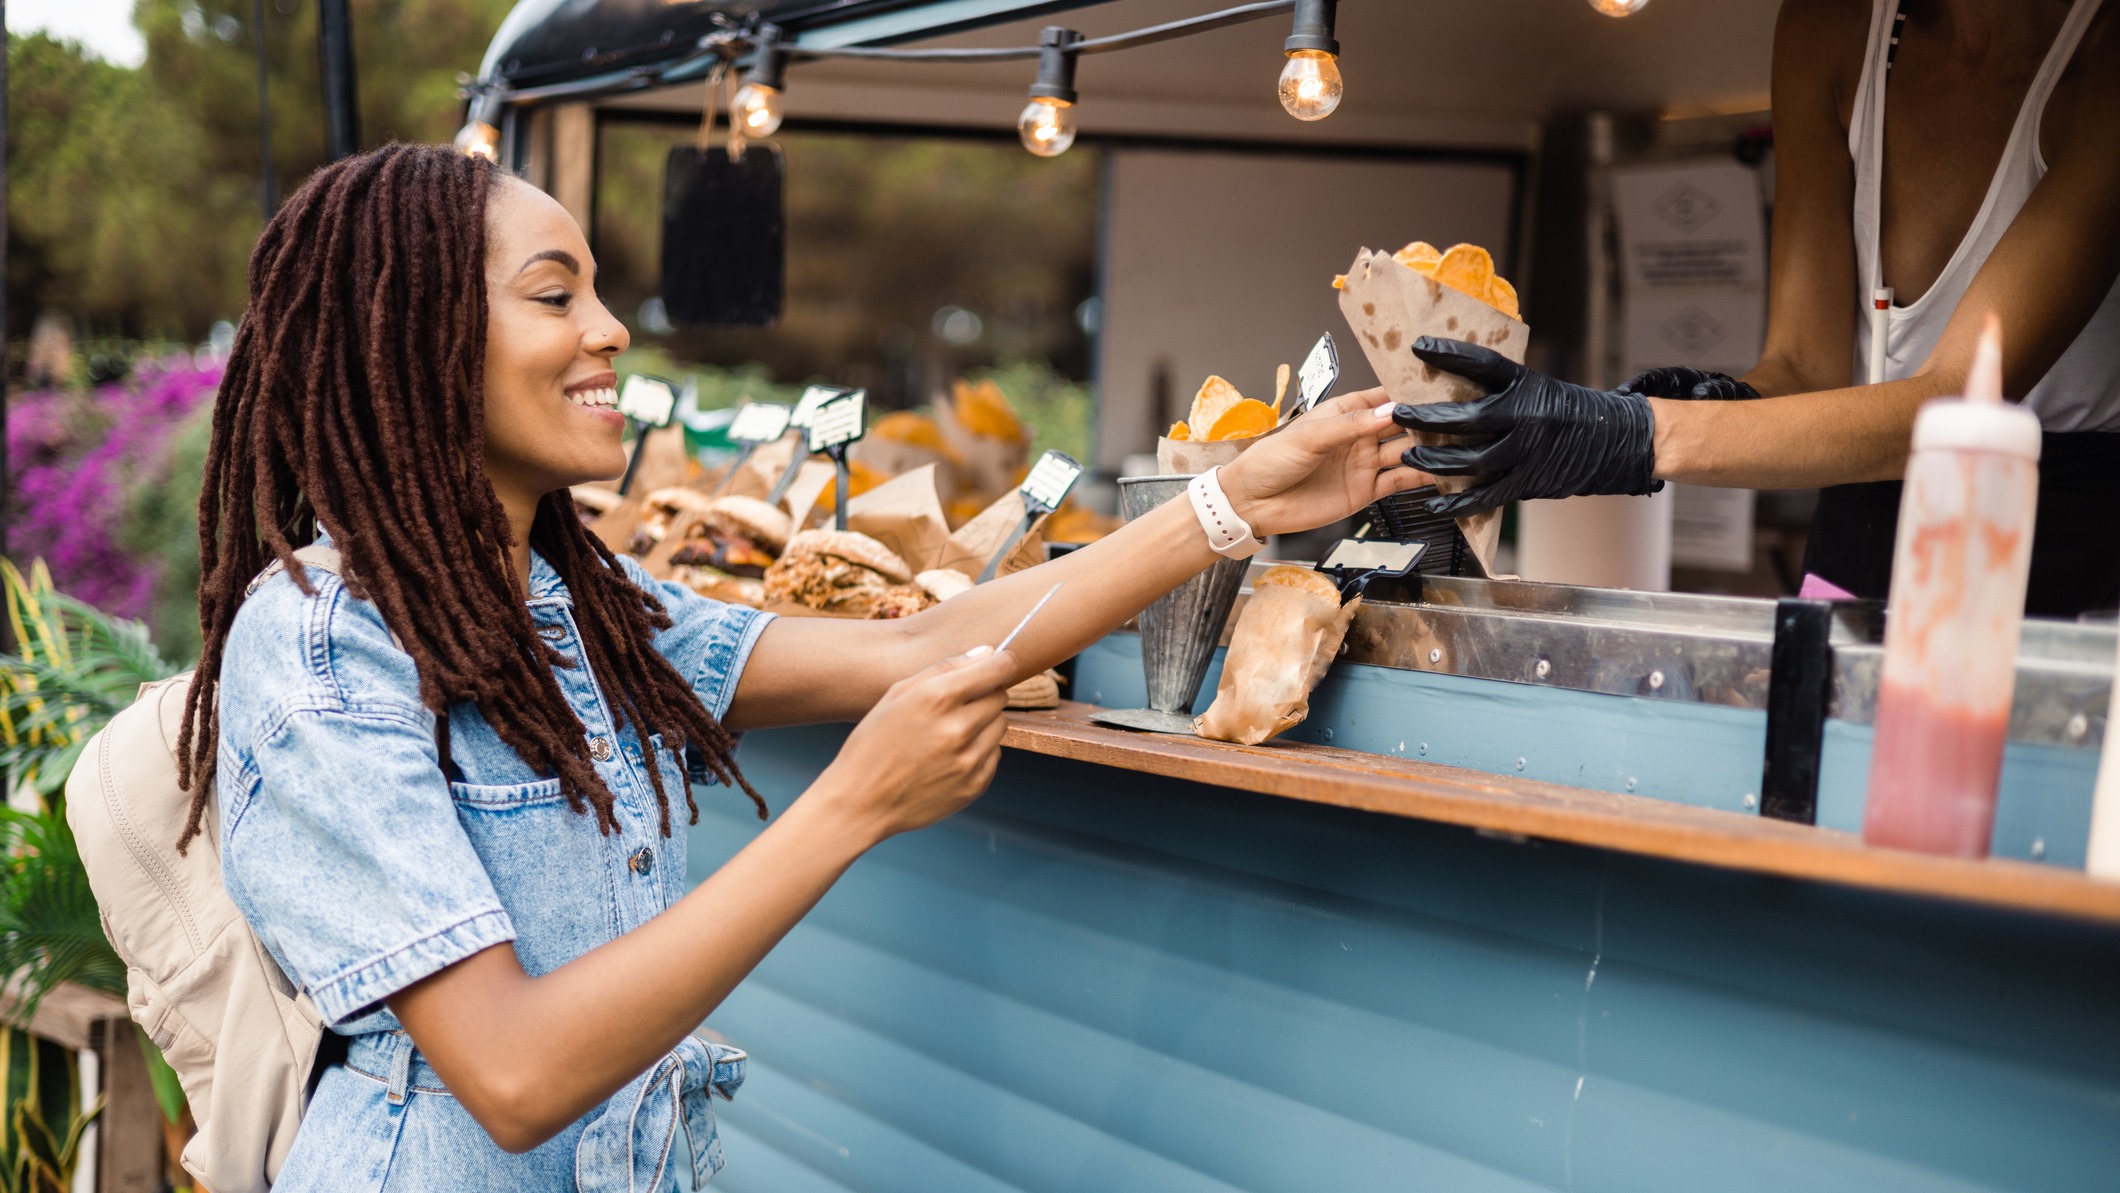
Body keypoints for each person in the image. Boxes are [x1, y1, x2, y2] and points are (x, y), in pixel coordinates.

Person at [180, 143, 1419, 1191]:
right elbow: (511, 1071)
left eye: (597, 294)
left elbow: (919, 641)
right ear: (414, 337)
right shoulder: (317, 640)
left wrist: (1232, 502)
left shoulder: (577, 611)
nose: (611, 330)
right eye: (554, 297)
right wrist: (851, 805)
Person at [1393, 0, 2120, 615]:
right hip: (1852, 562)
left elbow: (1957, 400)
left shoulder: (2101, 54)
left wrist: (1627, 435)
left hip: (2051, 578)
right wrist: (1713, 399)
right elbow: (1806, 365)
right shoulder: (1830, 27)